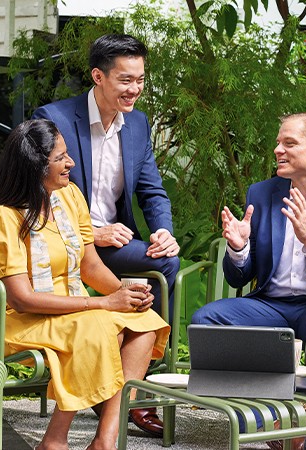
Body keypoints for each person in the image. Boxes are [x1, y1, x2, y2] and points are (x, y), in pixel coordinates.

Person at [0, 119, 170, 450]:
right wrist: (105, 304)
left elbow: (90, 265)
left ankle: (106, 439)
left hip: (73, 312)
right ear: (35, 167)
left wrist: (123, 294)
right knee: (95, 327)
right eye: (60, 158)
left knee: (143, 323)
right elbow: (21, 299)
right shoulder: (2, 217)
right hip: (17, 321)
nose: (71, 163)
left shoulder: (69, 196)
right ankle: (54, 440)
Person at [31, 33, 178, 435]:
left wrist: (163, 231)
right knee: (123, 295)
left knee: (166, 262)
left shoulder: (138, 124)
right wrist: (90, 233)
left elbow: (151, 189)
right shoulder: (55, 117)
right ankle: (114, 396)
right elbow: (29, 193)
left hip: (112, 249)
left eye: (141, 79)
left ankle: (133, 389)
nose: (135, 89)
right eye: (125, 80)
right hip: (65, 247)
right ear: (98, 76)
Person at [191, 112, 306, 371]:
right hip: (272, 307)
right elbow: (238, 278)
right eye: (278, 143)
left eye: (289, 144)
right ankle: (251, 404)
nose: (278, 150)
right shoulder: (261, 193)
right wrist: (239, 248)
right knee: (206, 319)